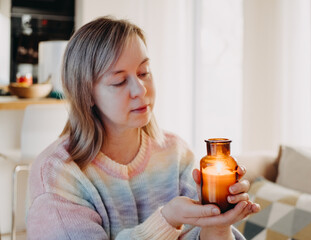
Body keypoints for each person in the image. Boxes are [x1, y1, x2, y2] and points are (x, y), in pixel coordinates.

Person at [26, 16, 260, 240]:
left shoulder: (176, 153)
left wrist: (218, 224)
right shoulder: (58, 174)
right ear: (86, 93)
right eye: (119, 81)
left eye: (143, 73)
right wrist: (166, 221)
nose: (141, 90)